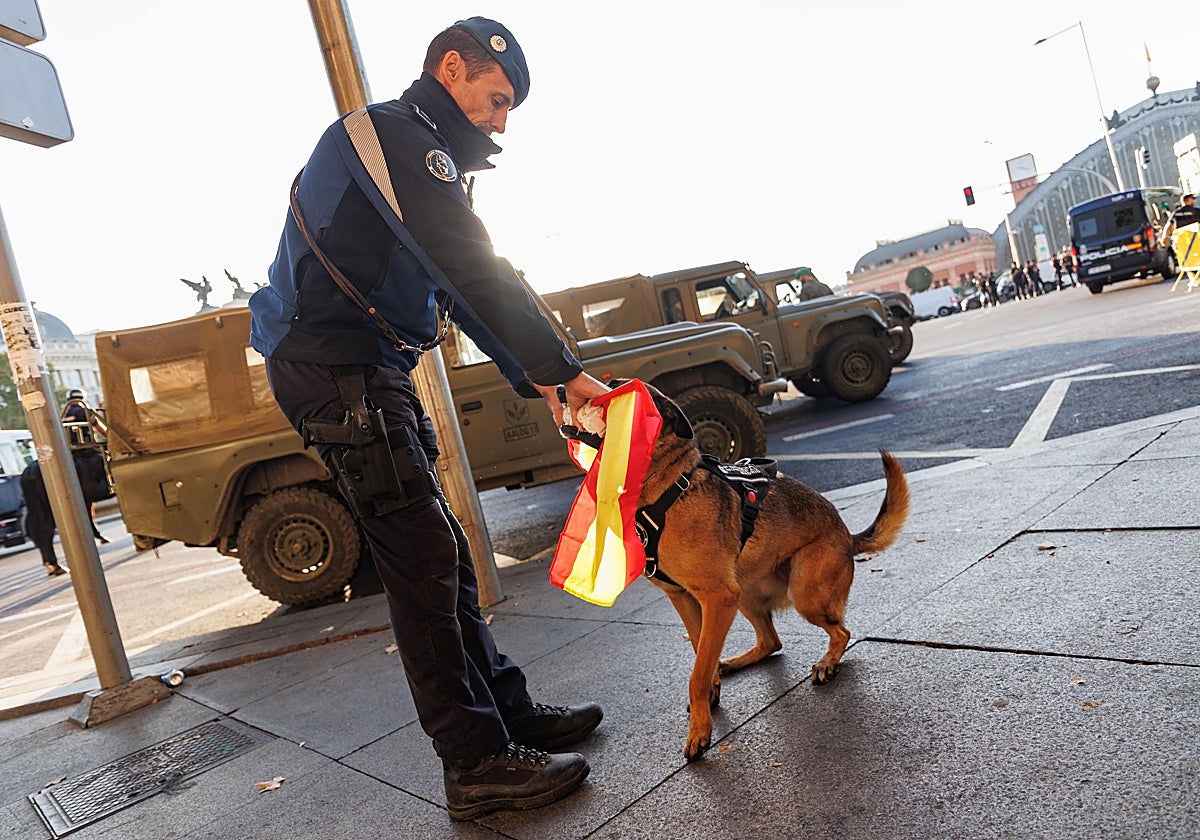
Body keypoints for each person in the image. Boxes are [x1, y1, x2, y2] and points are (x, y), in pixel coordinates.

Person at [248, 17, 610, 821]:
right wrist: (561, 370)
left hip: (370, 367)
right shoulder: (390, 135)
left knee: (436, 546)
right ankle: (475, 764)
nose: (501, 121)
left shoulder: (418, 154)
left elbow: (459, 283)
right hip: (335, 369)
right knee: (421, 557)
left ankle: (505, 715)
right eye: (496, 98)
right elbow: (469, 259)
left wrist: (540, 381)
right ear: (452, 68)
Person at [20, 449, 112, 576]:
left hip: (58, 449)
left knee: (40, 516)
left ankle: (50, 561)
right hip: (80, 450)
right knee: (111, 464)